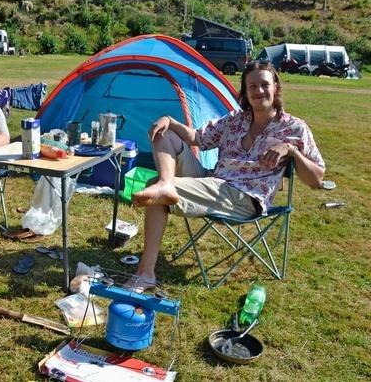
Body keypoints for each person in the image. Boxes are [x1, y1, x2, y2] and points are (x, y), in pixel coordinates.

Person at [129, 61, 325, 291]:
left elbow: (316, 179)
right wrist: (170, 121)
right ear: (245, 91)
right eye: (252, 86)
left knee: (155, 191)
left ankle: (145, 274)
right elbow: (198, 138)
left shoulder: (294, 128)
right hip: (214, 181)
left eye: (264, 84)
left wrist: (291, 151)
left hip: (244, 197)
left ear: (276, 88)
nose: (259, 91)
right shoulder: (236, 120)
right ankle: (165, 183)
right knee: (164, 134)